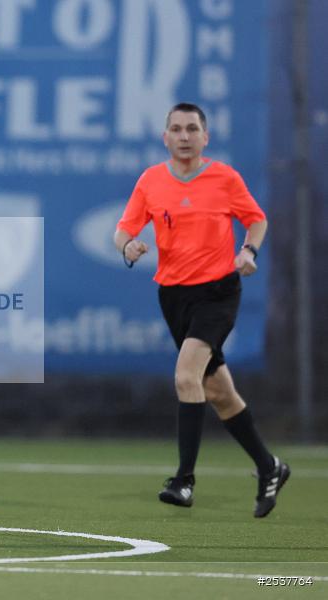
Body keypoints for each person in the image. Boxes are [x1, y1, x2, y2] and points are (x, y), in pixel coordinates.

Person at [114, 102, 290, 518]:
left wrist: (248, 250)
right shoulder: (152, 181)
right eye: (176, 129)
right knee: (219, 394)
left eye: (192, 128)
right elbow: (123, 229)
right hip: (174, 296)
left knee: (185, 375)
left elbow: (257, 219)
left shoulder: (224, 178)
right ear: (166, 137)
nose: (184, 136)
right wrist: (129, 245)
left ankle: (184, 481)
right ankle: (270, 467)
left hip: (217, 292)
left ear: (205, 137)